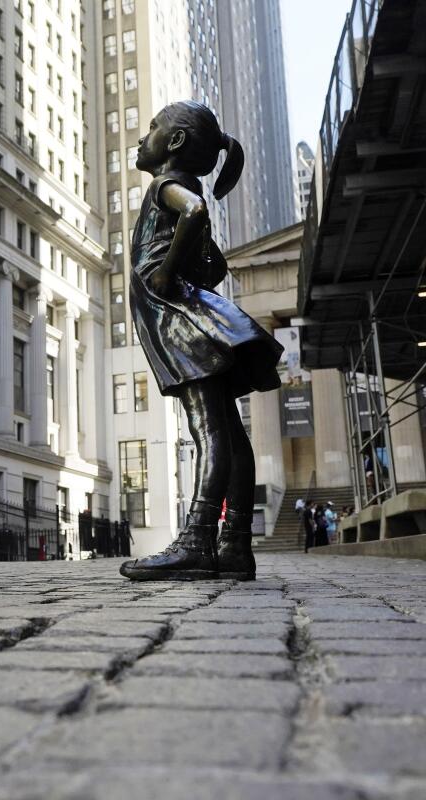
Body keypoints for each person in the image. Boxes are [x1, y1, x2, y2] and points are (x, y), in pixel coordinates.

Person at [118, 101, 282, 582]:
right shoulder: (179, 185)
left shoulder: (167, 185)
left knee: (207, 428)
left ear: (173, 143)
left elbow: (194, 213)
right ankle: (234, 545)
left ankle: (198, 538)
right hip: (187, 313)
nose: (141, 136)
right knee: (229, 432)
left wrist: (166, 273)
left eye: (151, 128)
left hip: (178, 316)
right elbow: (215, 266)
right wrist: (186, 265)